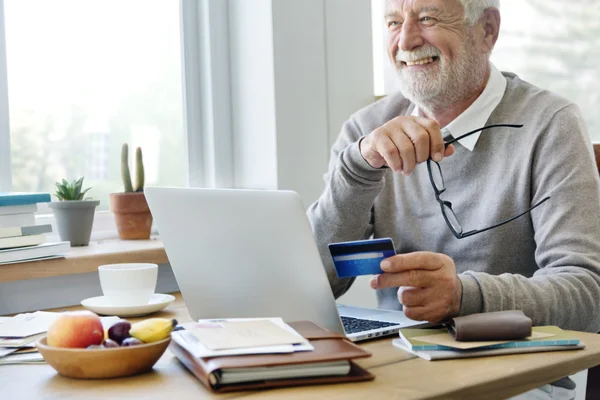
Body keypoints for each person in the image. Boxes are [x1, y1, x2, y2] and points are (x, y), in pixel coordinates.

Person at [307, 1, 600, 398]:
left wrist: (465, 296)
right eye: (394, 22)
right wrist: (357, 169)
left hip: (516, 379)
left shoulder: (551, 123)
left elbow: (588, 292)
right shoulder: (365, 130)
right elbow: (316, 284)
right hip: (392, 371)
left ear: (487, 30)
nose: (405, 40)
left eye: (427, 18)